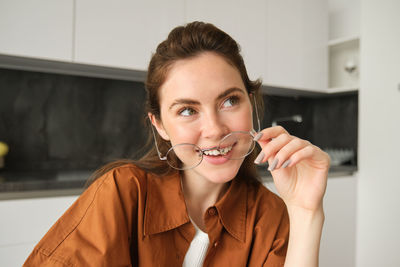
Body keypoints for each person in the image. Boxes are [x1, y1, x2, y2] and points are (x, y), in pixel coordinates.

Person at [24, 21, 330, 267]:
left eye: (229, 101)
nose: (214, 130)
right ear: (160, 125)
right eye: (187, 110)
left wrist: (305, 213)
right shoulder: (123, 193)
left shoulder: (270, 216)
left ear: (250, 104)